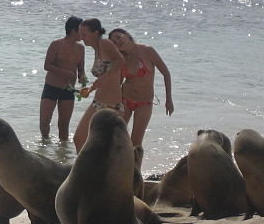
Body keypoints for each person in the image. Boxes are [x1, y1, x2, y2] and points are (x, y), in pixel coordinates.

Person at [108, 28, 174, 148]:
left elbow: (166, 74)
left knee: (136, 143)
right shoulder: (120, 58)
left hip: (144, 103)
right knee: (116, 136)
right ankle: (118, 165)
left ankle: (135, 166)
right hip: (125, 100)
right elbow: (117, 84)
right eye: (114, 42)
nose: (118, 42)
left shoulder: (147, 51)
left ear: (127, 35)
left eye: (118, 37)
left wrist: (168, 100)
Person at [72, 18, 125, 152]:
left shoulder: (105, 43)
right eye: (80, 34)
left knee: (107, 147)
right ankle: (85, 171)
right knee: (79, 139)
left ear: (95, 33)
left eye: (84, 34)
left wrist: (103, 79)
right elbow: (103, 78)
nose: (81, 38)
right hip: (98, 102)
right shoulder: (97, 49)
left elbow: (120, 61)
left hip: (111, 105)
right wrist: (89, 89)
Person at [39, 16, 87, 140]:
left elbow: (81, 68)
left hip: (69, 90)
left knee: (64, 125)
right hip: (51, 87)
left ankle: (63, 154)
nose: (83, 34)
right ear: (73, 30)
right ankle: (44, 147)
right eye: (81, 30)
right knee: (44, 123)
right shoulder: (56, 44)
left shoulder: (80, 48)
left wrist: (82, 77)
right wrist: (65, 72)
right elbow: (47, 65)